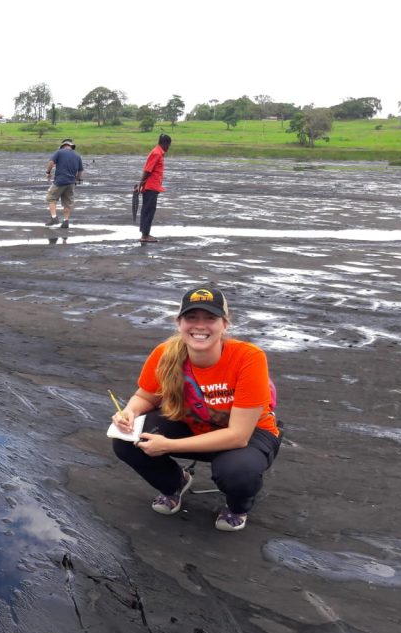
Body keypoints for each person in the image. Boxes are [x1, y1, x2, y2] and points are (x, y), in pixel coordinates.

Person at [110, 285, 281, 531]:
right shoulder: (164, 354)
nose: (200, 326)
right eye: (191, 318)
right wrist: (130, 412)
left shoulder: (249, 357)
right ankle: (175, 484)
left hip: (249, 434)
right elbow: (145, 396)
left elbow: (238, 435)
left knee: (238, 472)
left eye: (210, 318)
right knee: (127, 439)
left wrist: (168, 446)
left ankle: (237, 508)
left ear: (224, 324)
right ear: (179, 323)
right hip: (194, 424)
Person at [136, 134, 171, 243]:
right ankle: (145, 236)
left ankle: (145, 234)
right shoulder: (156, 153)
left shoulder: (159, 153)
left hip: (153, 186)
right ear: (165, 143)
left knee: (148, 210)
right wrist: (141, 183)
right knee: (148, 210)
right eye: (168, 145)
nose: (168, 148)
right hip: (150, 186)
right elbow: (148, 169)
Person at [45, 138, 84, 229]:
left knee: (51, 198)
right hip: (71, 182)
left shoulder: (59, 152)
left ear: (63, 146)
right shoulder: (77, 156)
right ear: (71, 146)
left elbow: (51, 162)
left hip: (60, 181)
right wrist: (76, 180)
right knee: (67, 203)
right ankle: (65, 221)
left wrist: (48, 172)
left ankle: (54, 218)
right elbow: (81, 171)